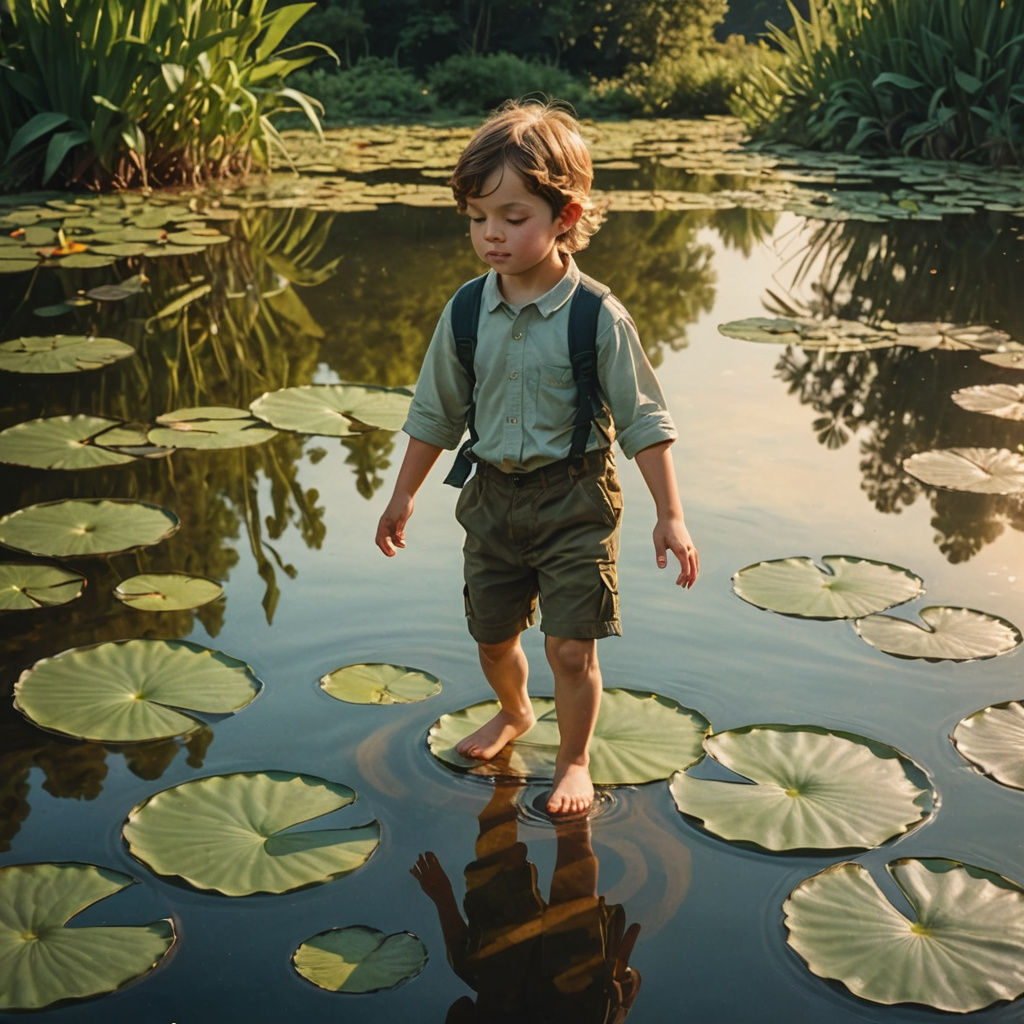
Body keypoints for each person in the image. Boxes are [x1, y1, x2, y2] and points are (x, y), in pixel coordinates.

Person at [375, 99, 699, 816]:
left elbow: (645, 419)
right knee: (492, 638)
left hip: (576, 500)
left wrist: (670, 516)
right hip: (492, 498)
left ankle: (575, 757)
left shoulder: (597, 315)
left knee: (571, 649)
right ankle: (517, 710)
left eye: (512, 217)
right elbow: (436, 413)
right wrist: (402, 495)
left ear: (567, 216)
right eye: (476, 217)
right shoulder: (464, 312)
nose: (491, 234)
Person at [410, 782, 643, 1023]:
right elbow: (460, 1003)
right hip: (566, 1000)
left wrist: (443, 897)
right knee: (568, 878)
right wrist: (619, 986)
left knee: (504, 863)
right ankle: (543, 796)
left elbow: (460, 1002)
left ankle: (506, 782)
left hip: (510, 971)